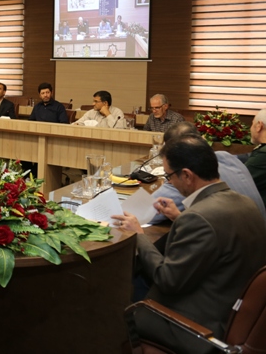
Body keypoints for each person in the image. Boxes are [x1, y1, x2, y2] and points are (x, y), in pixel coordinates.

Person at [112, 136, 266, 354]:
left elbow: (167, 280)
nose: (169, 183)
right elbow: (217, 235)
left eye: (169, 176)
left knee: (114, 303)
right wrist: (179, 217)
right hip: (231, 307)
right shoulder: (244, 202)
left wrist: (139, 235)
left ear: (186, 175)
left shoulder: (198, 217)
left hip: (198, 327)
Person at [150, 122, 266, 224]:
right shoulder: (226, 157)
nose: (169, 180)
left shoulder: (187, 178)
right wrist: (178, 217)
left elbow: (146, 212)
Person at [245, 108, 266, 206]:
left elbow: (240, 180)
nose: (250, 128)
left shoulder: (263, 155)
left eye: (252, 124)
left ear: (259, 126)